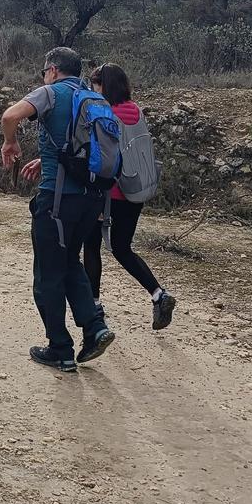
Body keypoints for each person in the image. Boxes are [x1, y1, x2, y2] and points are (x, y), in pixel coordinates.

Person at [0, 46, 115, 373]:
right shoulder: (95, 98)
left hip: (58, 199)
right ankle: (95, 328)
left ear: (52, 69)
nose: (43, 76)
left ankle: (60, 348)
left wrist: (10, 142)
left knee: (47, 274)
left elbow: (10, 115)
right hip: (92, 197)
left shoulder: (51, 92)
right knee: (68, 262)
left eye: (43, 72)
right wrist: (47, 158)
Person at [81, 63, 177, 330]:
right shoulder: (136, 110)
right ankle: (159, 294)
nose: (92, 89)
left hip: (110, 192)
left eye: (95, 83)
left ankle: (94, 304)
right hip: (136, 190)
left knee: (91, 244)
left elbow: (103, 159)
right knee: (122, 247)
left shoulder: (106, 114)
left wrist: (97, 196)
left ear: (104, 85)